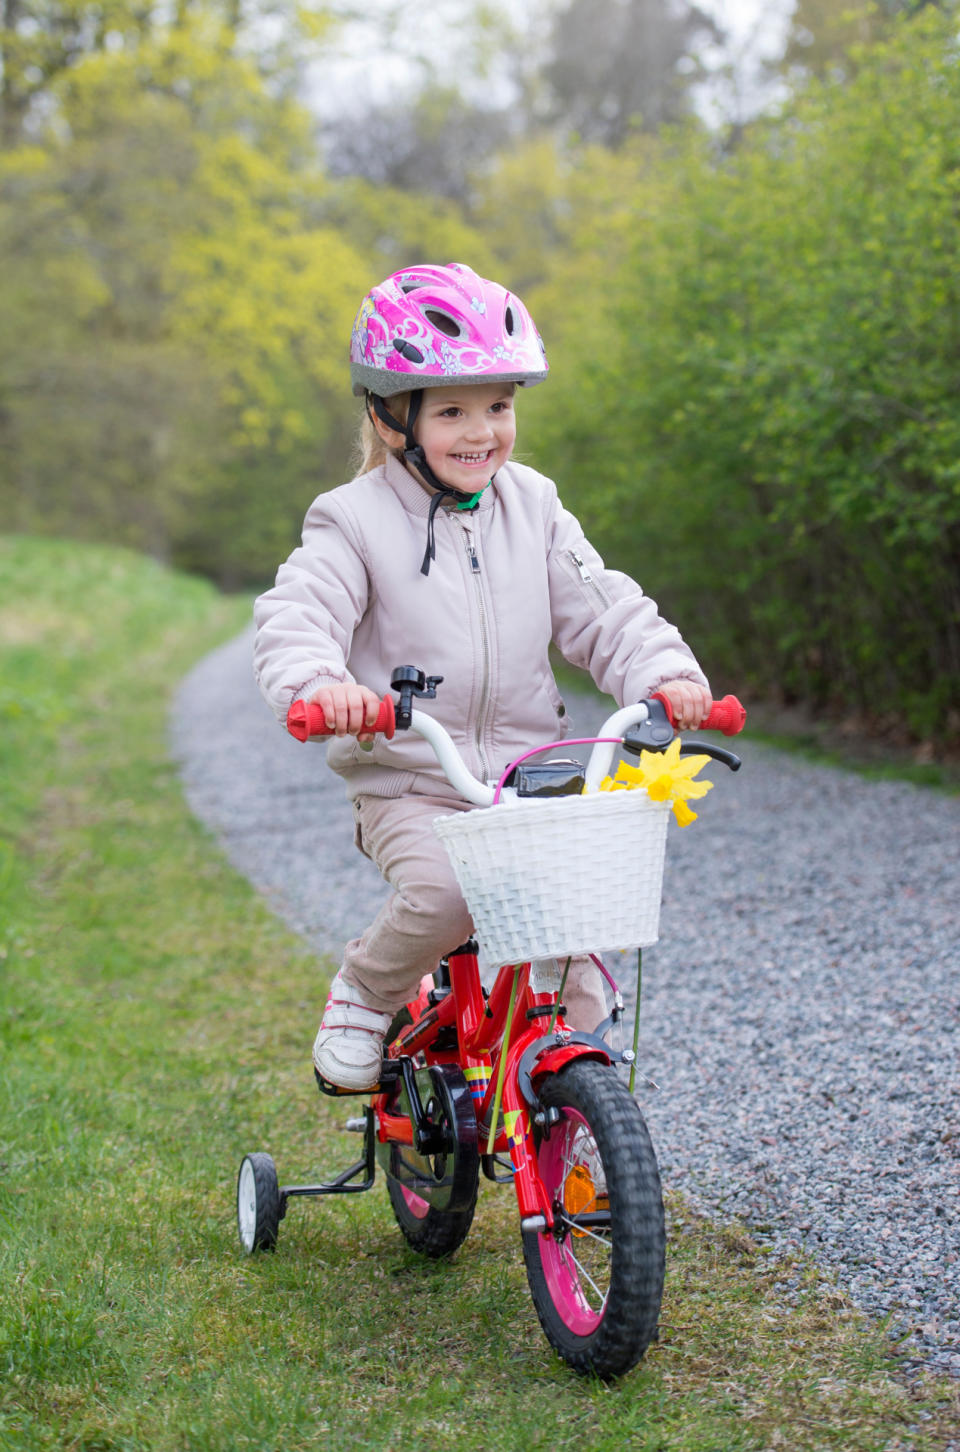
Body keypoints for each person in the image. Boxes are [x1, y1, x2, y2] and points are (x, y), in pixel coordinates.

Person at [253, 262, 712, 1091]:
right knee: (445, 894)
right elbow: (298, 615)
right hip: (414, 784)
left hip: (528, 784)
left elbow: (602, 607)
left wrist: (664, 672)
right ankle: (365, 992)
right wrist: (321, 685)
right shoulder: (352, 520)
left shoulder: (534, 505)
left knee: (573, 947)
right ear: (394, 419)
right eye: (454, 411)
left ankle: (574, 1120)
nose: (483, 432)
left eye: (498, 407)